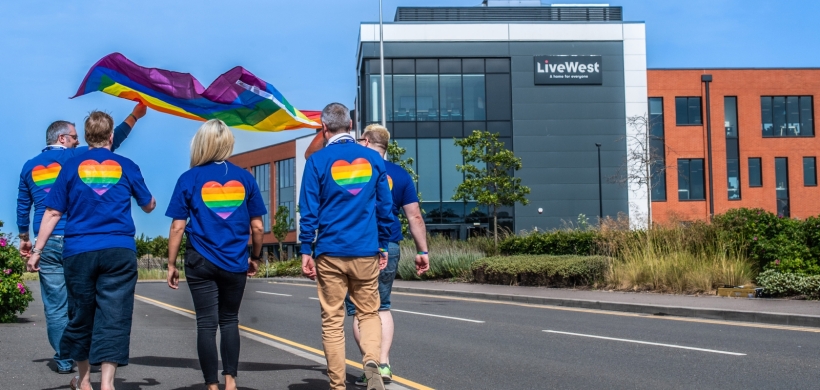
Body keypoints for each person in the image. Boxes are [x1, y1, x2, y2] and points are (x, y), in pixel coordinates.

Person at [25, 110, 156, 390]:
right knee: (114, 316)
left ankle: (84, 381)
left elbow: (51, 212)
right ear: (110, 136)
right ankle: (107, 383)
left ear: (86, 137)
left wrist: (37, 250)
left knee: (81, 314)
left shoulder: (70, 167)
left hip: (79, 251)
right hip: (118, 251)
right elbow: (148, 205)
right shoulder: (127, 165)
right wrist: (150, 201)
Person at [165, 119, 266, 390]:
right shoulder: (245, 178)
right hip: (235, 260)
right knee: (230, 320)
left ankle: (211, 385)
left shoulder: (189, 178)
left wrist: (171, 263)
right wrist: (255, 257)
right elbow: (257, 227)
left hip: (200, 259)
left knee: (206, 324)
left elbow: (177, 226)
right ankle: (230, 382)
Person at [299, 103, 392, 390]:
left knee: (332, 321)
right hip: (365, 249)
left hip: (330, 251)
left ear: (324, 129)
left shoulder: (316, 161)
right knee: (369, 313)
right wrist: (384, 245)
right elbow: (385, 207)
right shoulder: (373, 159)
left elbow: (308, 210)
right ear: (351, 126)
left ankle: (338, 386)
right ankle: (372, 360)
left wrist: (305, 249)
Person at [345, 124, 430, 386]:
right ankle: (383, 364)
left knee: (360, 309)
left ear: (368, 142)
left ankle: (370, 364)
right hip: (390, 244)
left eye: (361, 139)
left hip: (360, 244)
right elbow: (414, 215)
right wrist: (422, 250)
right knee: (382, 306)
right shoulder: (400, 175)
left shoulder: (355, 171)